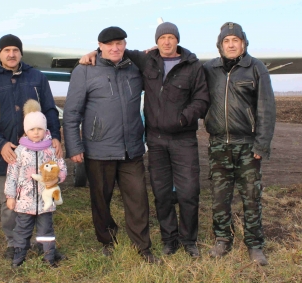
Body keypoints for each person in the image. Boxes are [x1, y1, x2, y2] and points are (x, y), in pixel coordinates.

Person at [79, 22, 209, 257]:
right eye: (162, 37)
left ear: (177, 39)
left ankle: (188, 240)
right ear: (156, 41)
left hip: (182, 138)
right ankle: (169, 239)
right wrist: (92, 53)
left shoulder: (193, 65)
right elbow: (114, 50)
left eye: (171, 37)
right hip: (155, 140)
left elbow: (201, 99)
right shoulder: (147, 60)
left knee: (188, 191)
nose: (167, 42)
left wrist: (183, 119)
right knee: (161, 192)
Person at [64, 26, 159, 264]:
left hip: (132, 149)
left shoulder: (135, 67)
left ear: (125, 44)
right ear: (100, 46)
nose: (115, 48)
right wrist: (75, 147)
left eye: (120, 43)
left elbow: (161, 65)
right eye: (110, 44)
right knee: (100, 199)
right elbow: (72, 112)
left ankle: (143, 247)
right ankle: (107, 240)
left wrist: (159, 50)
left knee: (138, 199)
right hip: (99, 148)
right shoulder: (85, 70)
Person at [0, 34, 63, 261]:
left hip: (41, 153)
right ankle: (15, 243)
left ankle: (44, 245)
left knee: (45, 198)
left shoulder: (37, 79)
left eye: (15, 50)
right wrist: (0, 144)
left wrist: (55, 137)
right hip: (8, 154)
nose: (11, 54)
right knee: (10, 201)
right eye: (6, 50)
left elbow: (50, 110)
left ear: (21, 53)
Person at [203, 22, 276, 266]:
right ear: (220, 45)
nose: (231, 45)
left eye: (236, 40)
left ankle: (255, 245)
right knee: (219, 197)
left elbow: (266, 108)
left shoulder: (256, 68)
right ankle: (223, 239)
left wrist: (261, 146)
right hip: (218, 146)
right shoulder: (209, 69)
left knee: (251, 197)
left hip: (247, 146)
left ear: (243, 43)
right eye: (226, 41)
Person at [4, 99, 67, 268]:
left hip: (46, 203)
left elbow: (61, 167)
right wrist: (10, 196)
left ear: (45, 129)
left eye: (40, 128)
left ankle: (48, 258)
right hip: (24, 203)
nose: (36, 132)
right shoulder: (20, 151)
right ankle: (18, 258)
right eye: (32, 129)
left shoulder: (51, 150)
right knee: (22, 231)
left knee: (46, 232)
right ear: (26, 130)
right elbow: (12, 175)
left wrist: (58, 178)